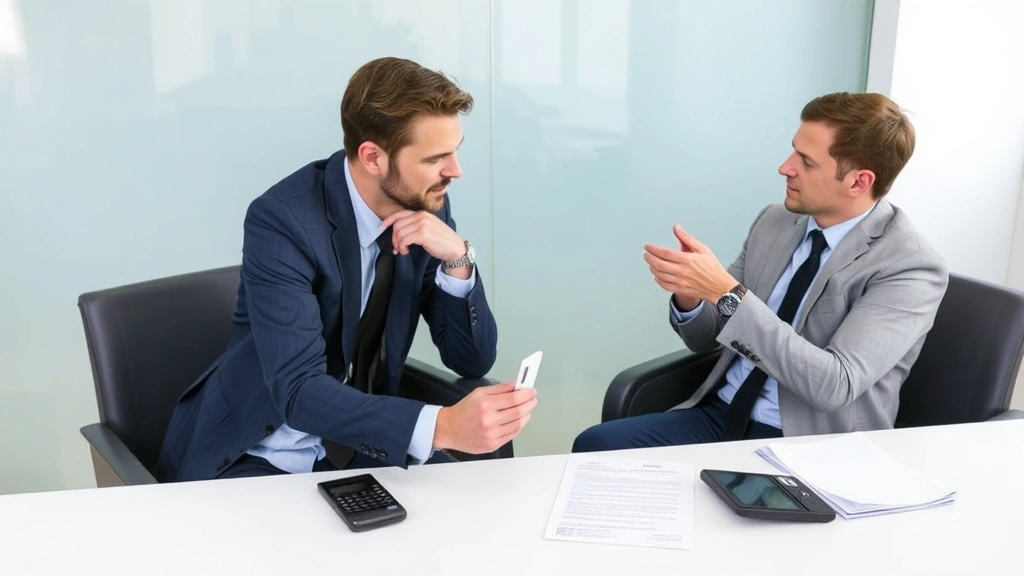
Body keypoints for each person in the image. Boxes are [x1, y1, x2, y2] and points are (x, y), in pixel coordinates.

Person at [156, 57, 537, 482]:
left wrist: (458, 257)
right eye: (436, 158)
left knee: (471, 521)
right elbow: (299, 392)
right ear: (373, 157)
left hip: (362, 443)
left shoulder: (426, 202)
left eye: (456, 150)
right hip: (260, 450)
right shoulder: (282, 222)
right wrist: (444, 426)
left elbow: (471, 359)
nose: (455, 171)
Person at [573, 92, 948, 452]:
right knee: (595, 446)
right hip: (720, 417)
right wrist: (691, 294)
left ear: (858, 182)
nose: (785, 167)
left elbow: (833, 385)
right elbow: (712, 337)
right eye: (793, 151)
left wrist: (726, 293)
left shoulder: (909, 267)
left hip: (807, 444)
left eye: (807, 161)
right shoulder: (775, 223)